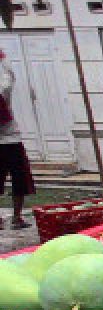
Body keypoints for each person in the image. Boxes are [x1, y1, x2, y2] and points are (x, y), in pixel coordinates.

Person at [0, 51, 34, 229]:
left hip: (10, 140)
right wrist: (3, 57)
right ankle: (16, 217)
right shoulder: (2, 91)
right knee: (19, 179)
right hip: (11, 141)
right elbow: (9, 78)